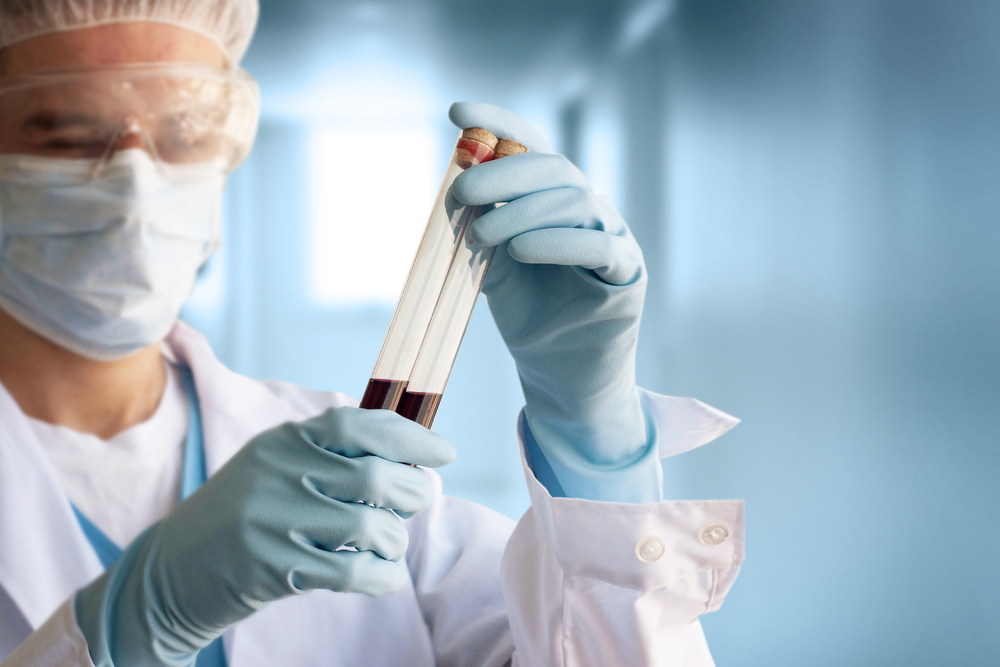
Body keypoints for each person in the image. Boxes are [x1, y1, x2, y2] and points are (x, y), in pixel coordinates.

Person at [0, 1, 744, 665]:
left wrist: (595, 441)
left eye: (185, 133)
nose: (137, 182)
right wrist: (120, 629)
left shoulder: (361, 480)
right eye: (66, 136)